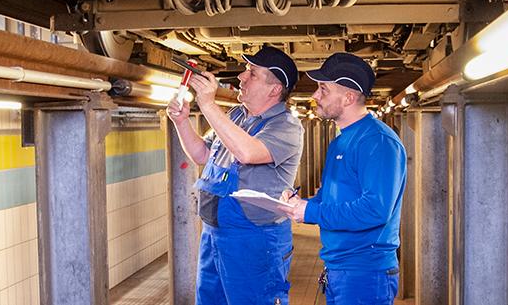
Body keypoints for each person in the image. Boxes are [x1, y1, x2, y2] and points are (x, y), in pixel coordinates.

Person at [167, 46, 304, 305]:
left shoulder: (286, 126)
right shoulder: (237, 116)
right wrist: (182, 122)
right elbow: (202, 155)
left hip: (255, 241)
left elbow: (247, 153)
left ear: (274, 89)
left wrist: (207, 102)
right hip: (214, 234)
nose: (241, 77)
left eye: (252, 73)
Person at [279, 52, 407, 305]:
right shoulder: (340, 142)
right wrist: (300, 205)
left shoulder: (377, 142)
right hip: (340, 268)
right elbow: (330, 198)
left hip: (365, 273)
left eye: (323, 89)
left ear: (348, 97)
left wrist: (312, 212)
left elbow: (375, 210)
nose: (315, 95)